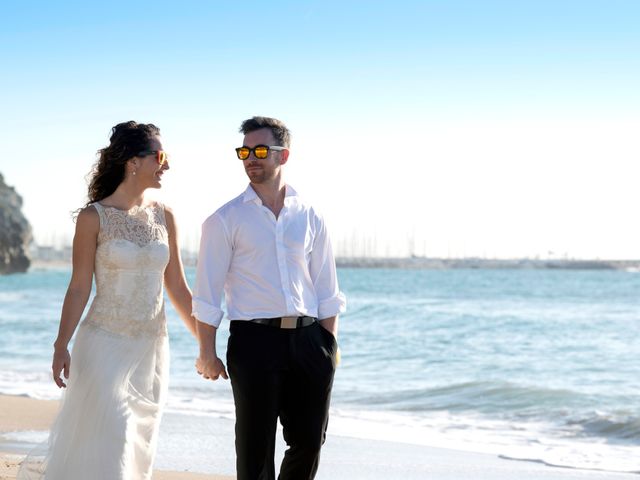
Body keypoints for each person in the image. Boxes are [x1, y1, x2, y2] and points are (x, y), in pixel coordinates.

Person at [18, 121, 197, 480]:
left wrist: (207, 342)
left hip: (151, 350)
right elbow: (78, 287)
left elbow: (177, 286)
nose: (167, 165)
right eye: (160, 156)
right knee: (114, 438)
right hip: (104, 348)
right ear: (133, 161)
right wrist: (60, 344)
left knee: (139, 446)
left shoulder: (167, 216)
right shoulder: (92, 218)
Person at [193, 116, 346, 480]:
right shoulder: (223, 220)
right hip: (254, 341)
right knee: (255, 449)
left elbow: (326, 288)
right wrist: (206, 352)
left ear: (284, 156)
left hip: (310, 341)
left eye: (260, 150)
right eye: (244, 151)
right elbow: (207, 294)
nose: (251, 158)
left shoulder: (310, 215)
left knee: (310, 441)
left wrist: (329, 347)